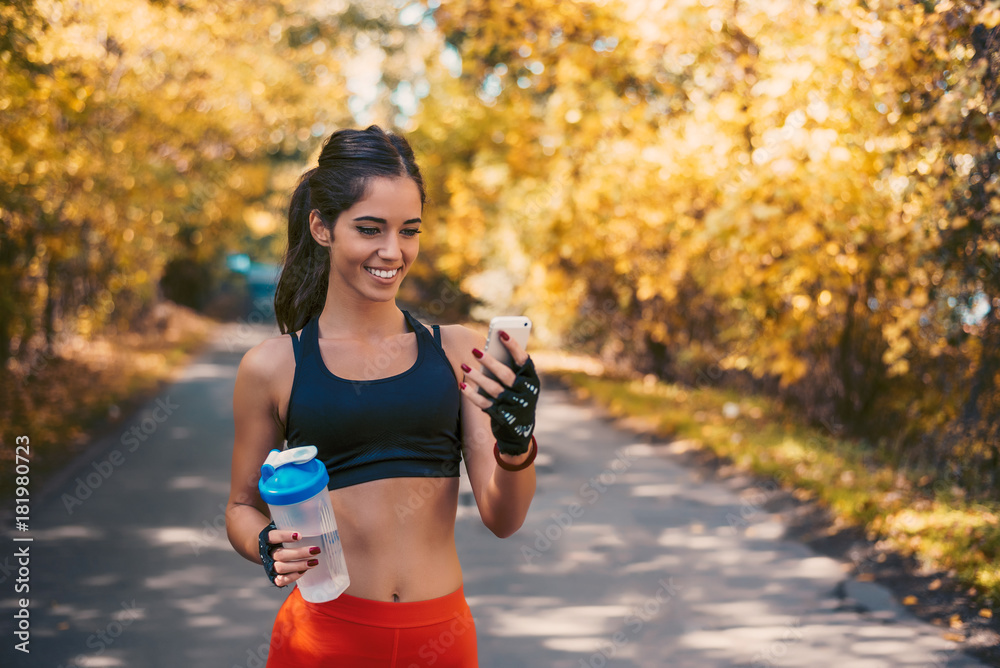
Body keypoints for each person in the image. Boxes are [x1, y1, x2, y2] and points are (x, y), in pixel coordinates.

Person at [225, 125, 540, 667]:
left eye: (409, 230)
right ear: (322, 228)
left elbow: (503, 518)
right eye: (370, 229)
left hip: (440, 638)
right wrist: (265, 543)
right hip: (324, 639)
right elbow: (240, 506)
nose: (393, 251)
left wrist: (517, 446)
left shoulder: (458, 352)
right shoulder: (272, 367)